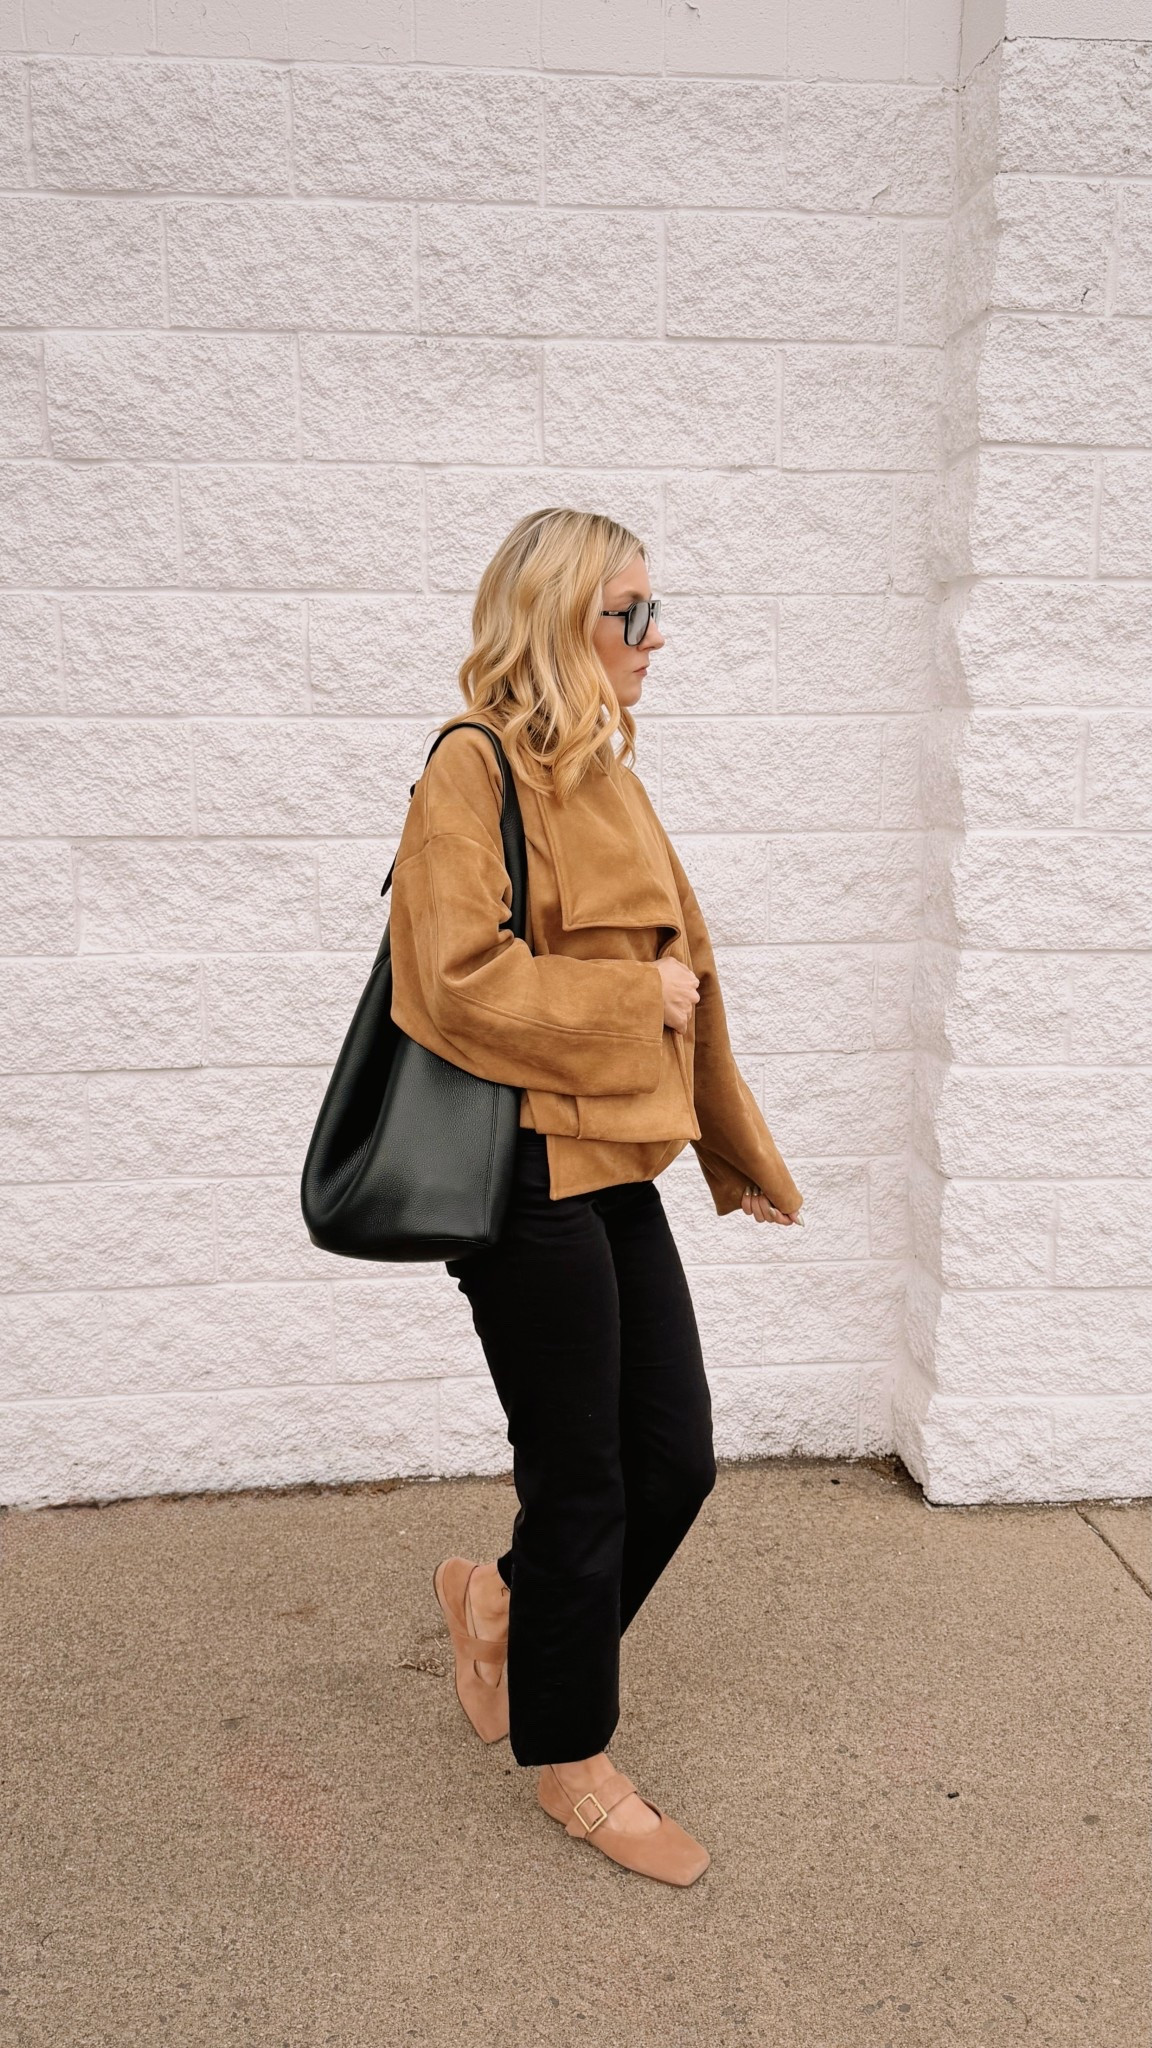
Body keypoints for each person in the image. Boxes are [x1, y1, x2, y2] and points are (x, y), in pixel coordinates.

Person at [386, 508, 803, 1887]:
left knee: (674, 1456)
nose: (654, 636)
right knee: (584, 1480)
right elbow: (454, 983)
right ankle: (573, 1762)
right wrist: (634, 1000)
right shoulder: (473, 769)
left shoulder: (610, 778)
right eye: (629, 613)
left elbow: (698, 980)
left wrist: (734, 1144)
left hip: (616, 1157)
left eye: (651, 608)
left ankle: (499, 1606)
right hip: (519, 1173)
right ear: (561, 619)